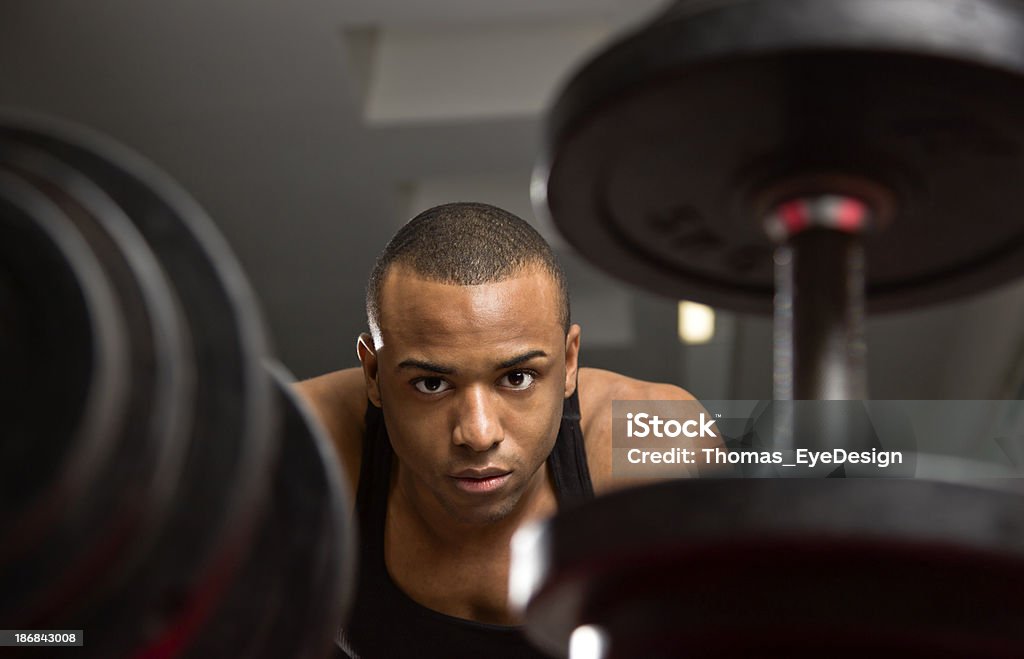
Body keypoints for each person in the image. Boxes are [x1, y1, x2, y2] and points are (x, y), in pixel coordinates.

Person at [296, 202, 705, 658]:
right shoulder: (303, 442)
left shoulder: (656, 430)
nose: (478, 432)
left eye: (516, 378)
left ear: (570, 361)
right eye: (431, 384)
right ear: (373, 373)